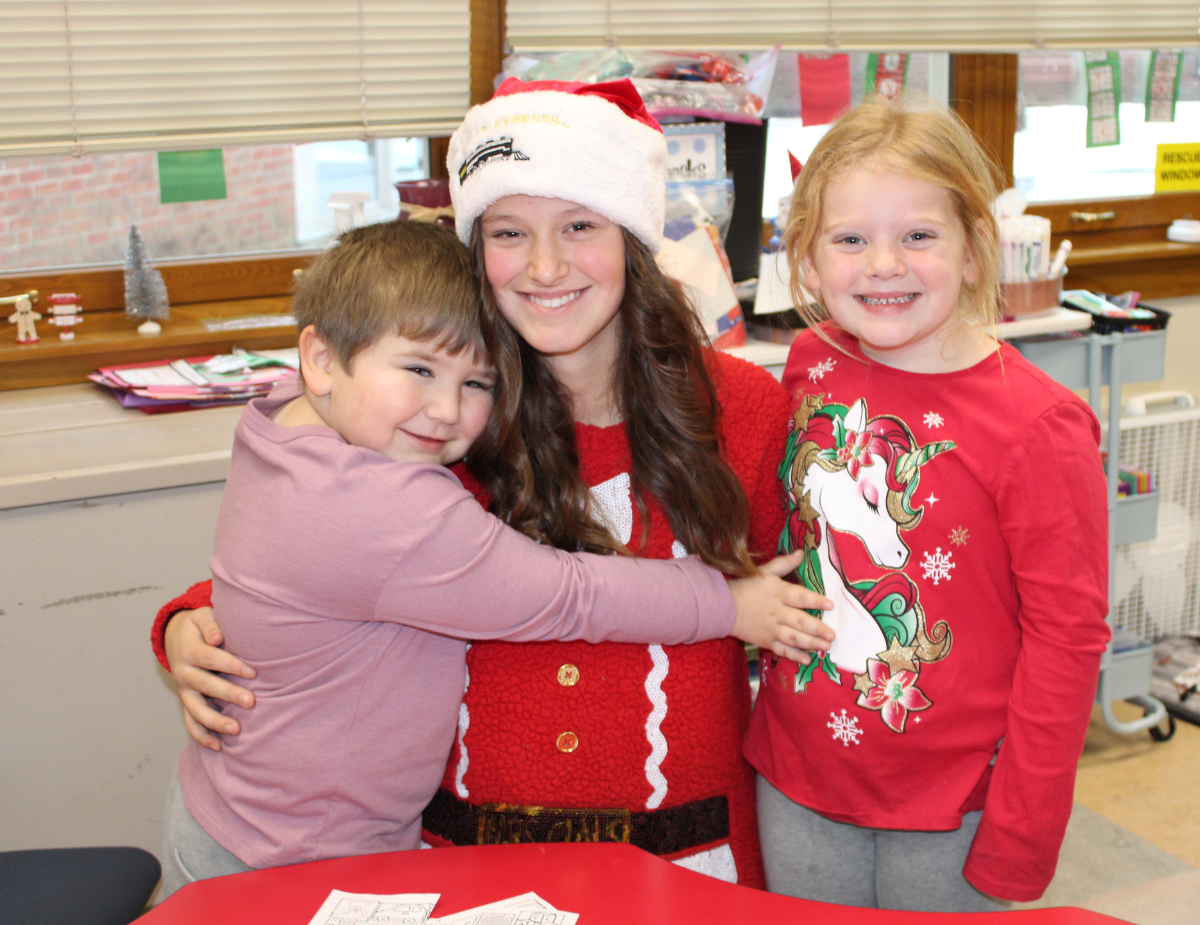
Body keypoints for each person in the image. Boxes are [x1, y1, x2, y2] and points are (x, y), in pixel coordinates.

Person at [153, 78, 822, 887]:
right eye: (510, 232)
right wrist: (188, 621)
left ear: (633, 240)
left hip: (688, 851)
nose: (545, 265)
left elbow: (803, 613)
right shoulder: (439, 416)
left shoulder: (740, 408)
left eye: (580, 225)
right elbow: (312, 553)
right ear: (477, 253)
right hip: (459, 859)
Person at [741, 96, 1112, 912]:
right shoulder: (812, 362)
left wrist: (1024, 830)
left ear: (975, 251)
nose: (883, 264)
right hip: (799, 774)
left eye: (918, 235)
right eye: (850, 238)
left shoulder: (1040, 425)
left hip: (959, 806)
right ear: (806, 257)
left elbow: (1067, 640)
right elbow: (783, 529)